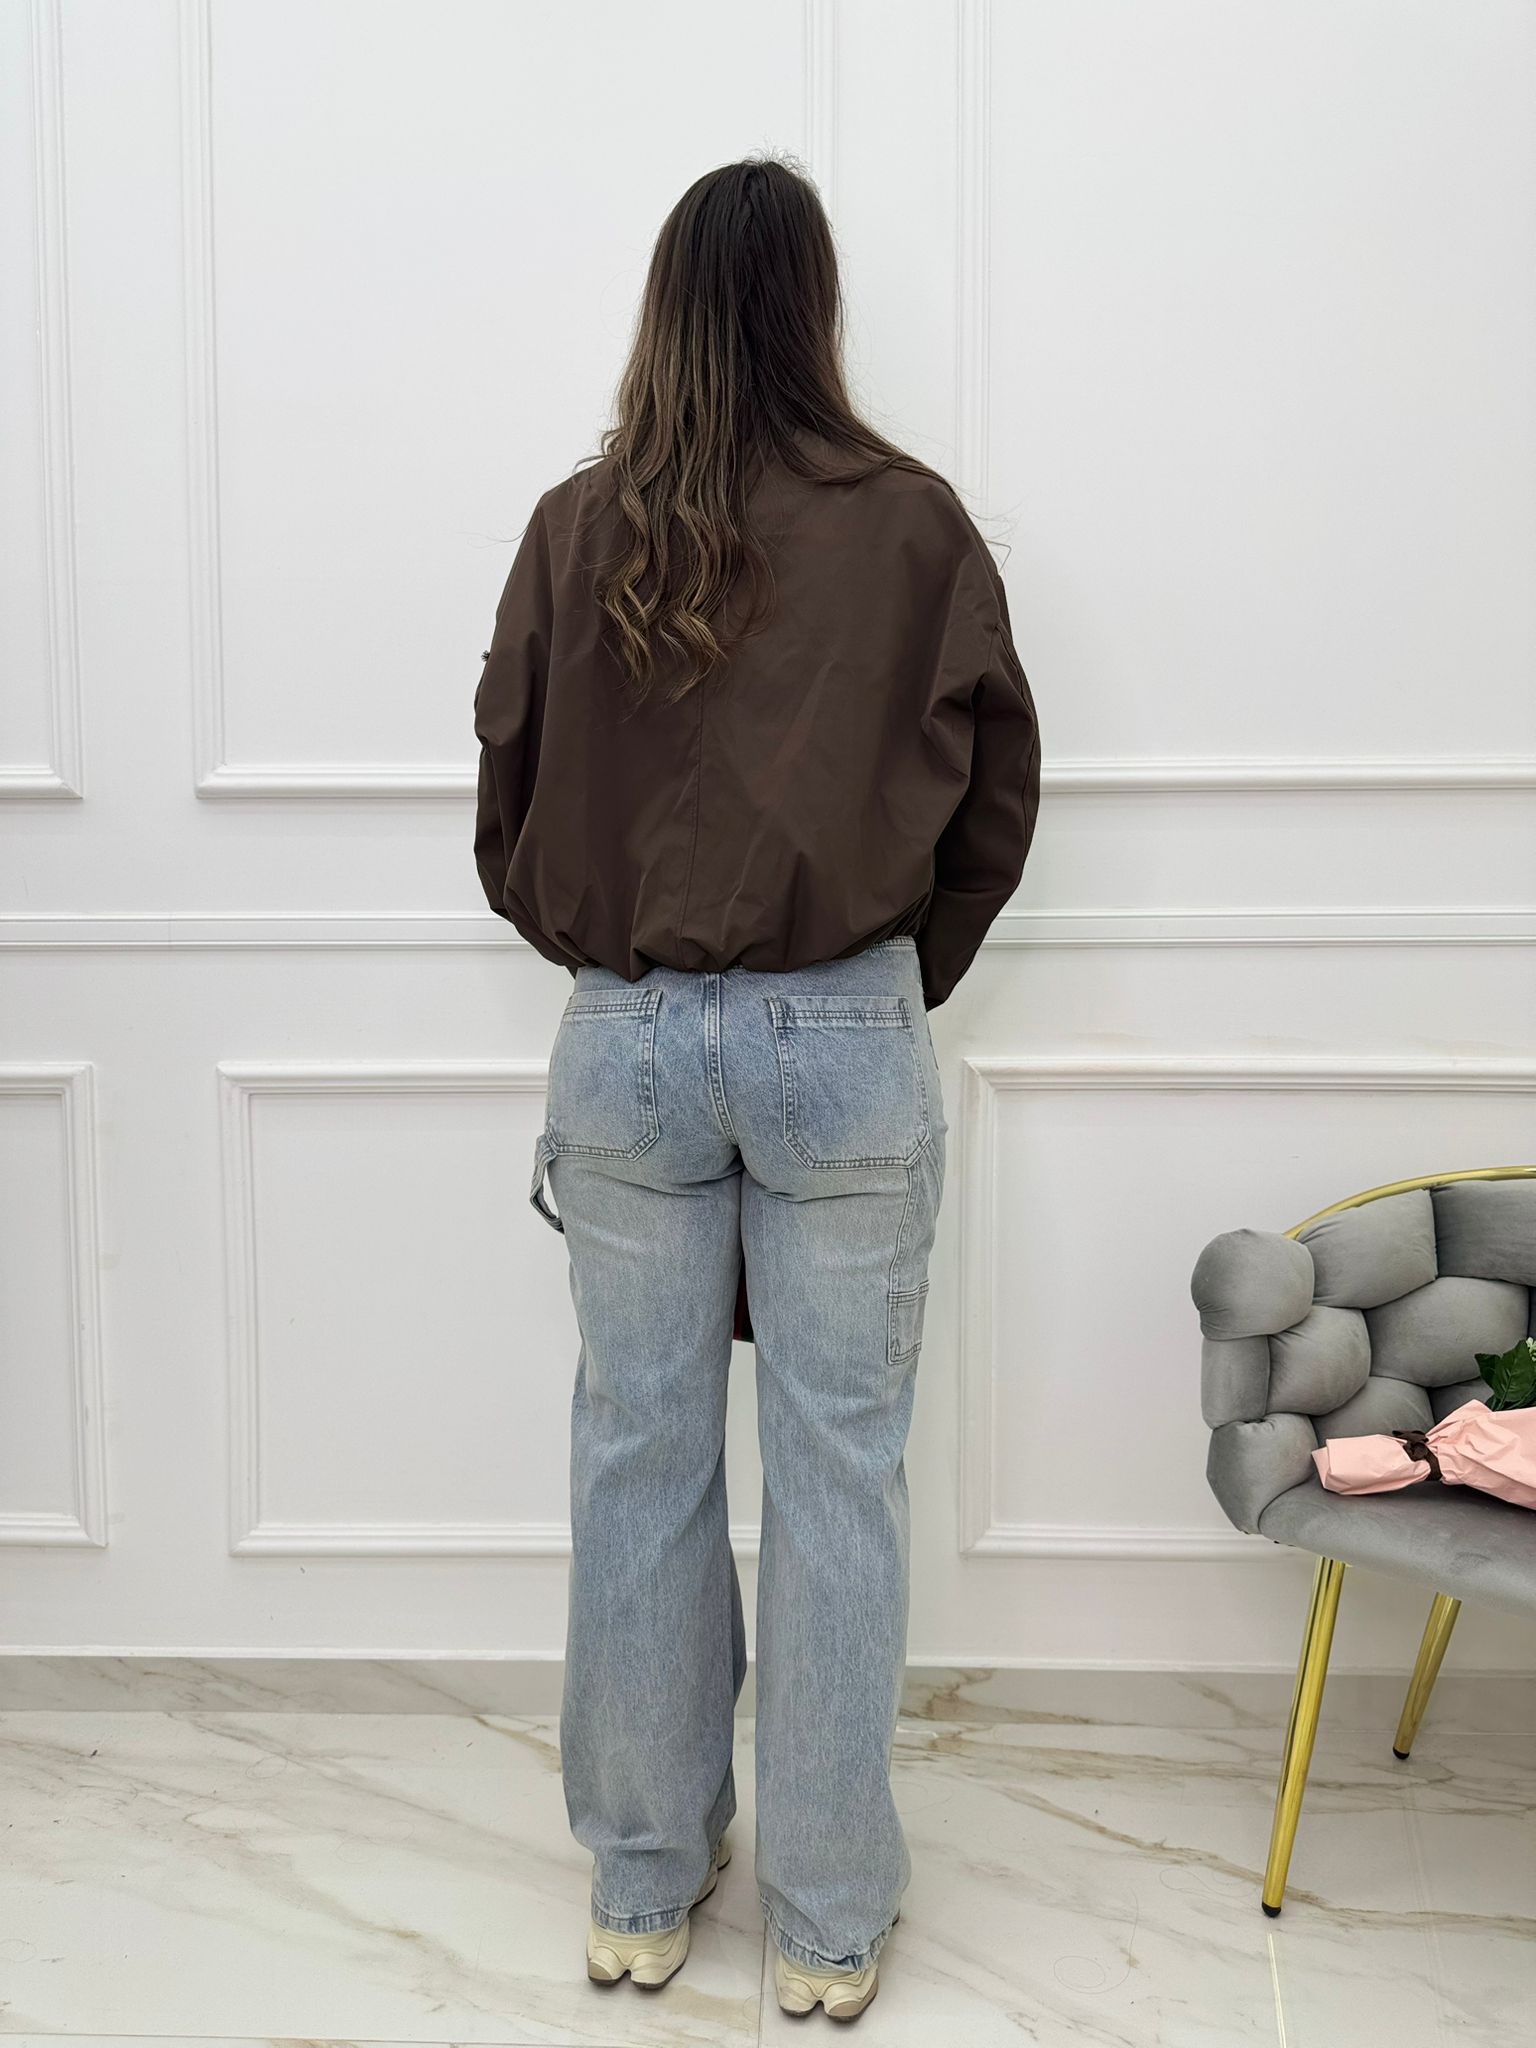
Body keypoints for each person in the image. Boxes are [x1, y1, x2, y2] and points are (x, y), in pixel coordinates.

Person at [472, 155, 1040, 2023]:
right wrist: (880, 983)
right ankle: (825, 1923)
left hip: (628, 1036)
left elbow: (505, 797)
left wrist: (619, 964)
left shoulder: (575, 528)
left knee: (636, 1456)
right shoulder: (914, 524)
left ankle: (644, 1886)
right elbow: (996, 798)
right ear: (815, 308)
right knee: (840, 1475)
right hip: (840, 1032)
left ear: (664, 311)